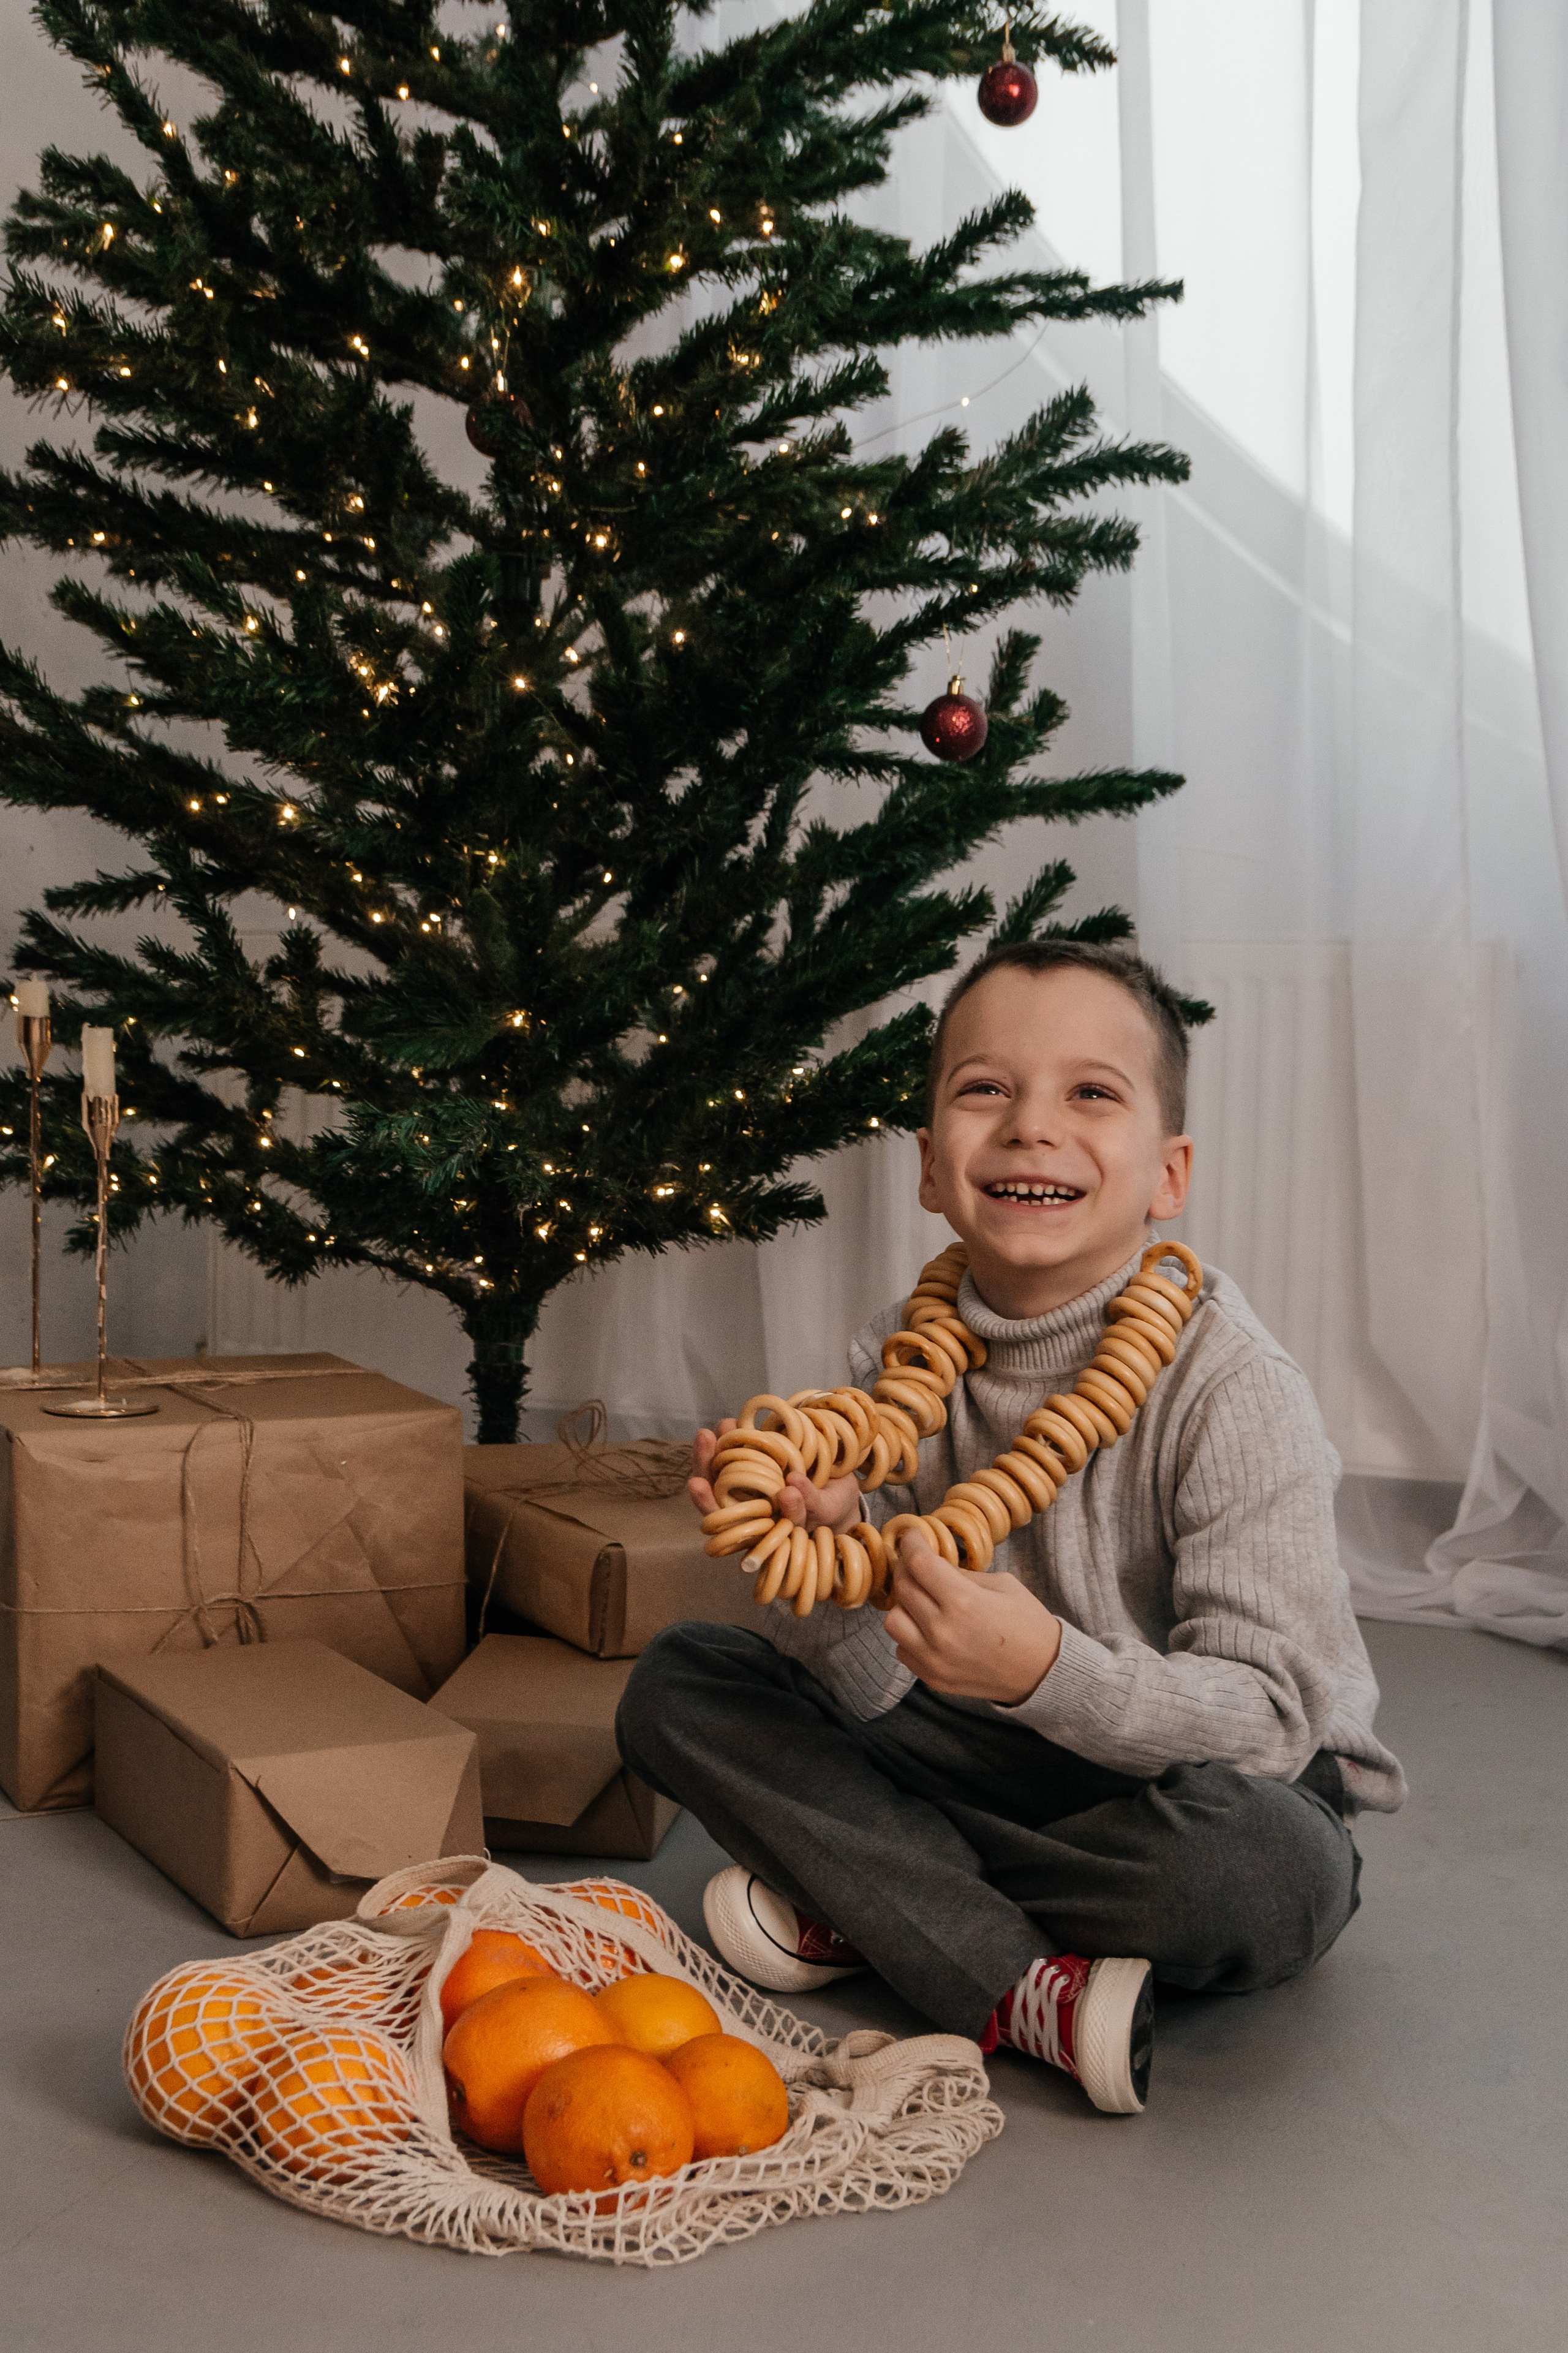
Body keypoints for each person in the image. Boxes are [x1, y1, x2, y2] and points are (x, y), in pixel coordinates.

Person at [615, 940, 1405, 2114]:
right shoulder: (896, 1359)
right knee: (678, 1683)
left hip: (1197, 1777)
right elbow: (874, 1690)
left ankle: (886, 1895)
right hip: (969, 1741)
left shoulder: (1232, 1384)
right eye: (987, 1088)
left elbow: (1274, 1720)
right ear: (932, 1167)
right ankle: (1022, 1979)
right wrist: (835, 1563)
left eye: (1092, 1092)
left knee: (1259, 1876)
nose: (1033, 1126)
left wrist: (1044, 1668)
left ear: (1167, 1172)